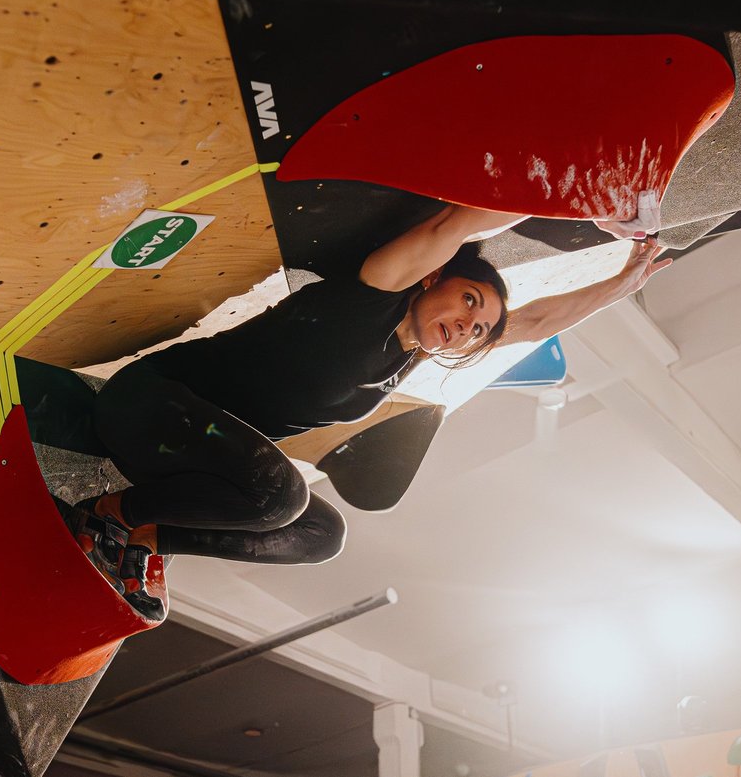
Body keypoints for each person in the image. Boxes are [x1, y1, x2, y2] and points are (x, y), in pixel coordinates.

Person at [67, 203, 669, 592]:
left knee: (319, 535)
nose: (469, 325)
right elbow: (454, 225)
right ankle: (107, 516)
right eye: (468, 301)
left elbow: (536, 321)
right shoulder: (373, 294)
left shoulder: (406, 357)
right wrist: (570, 201)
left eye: (480, 326)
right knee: (283, 494)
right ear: (433, 276)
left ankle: (149, 534)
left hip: (188, 460)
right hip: (147, 406)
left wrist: (623, 282)